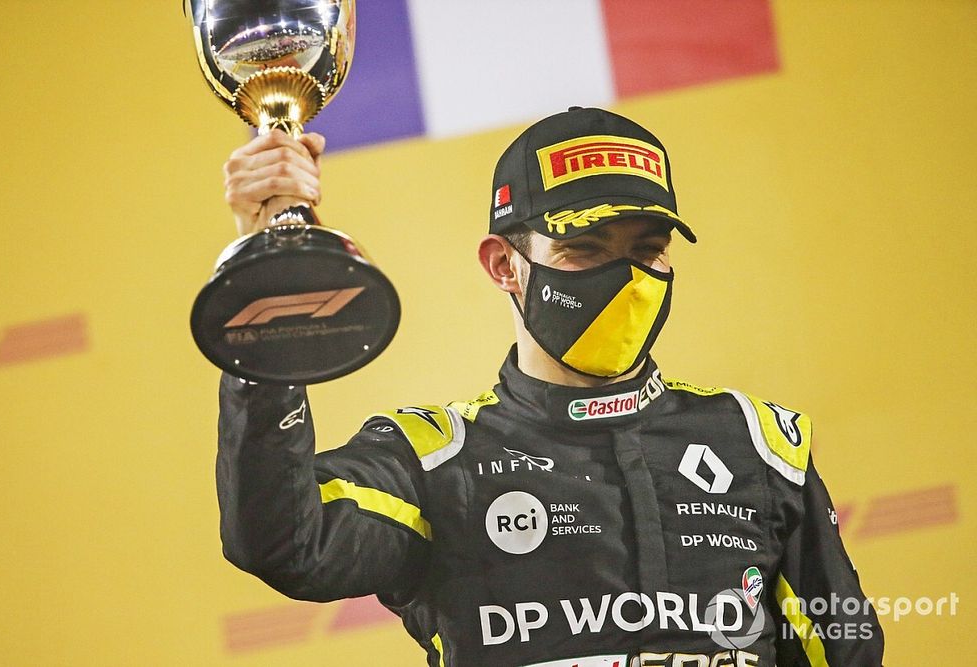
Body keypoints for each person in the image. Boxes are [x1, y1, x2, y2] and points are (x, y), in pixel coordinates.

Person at [216, 107, 884, 667]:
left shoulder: (758, 447)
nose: (625, 276)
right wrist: (270, 281)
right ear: (504, 263)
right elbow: (284, 542)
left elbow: (848, 654)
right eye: (586, 249)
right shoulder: (435, 461)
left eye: (647, 249)